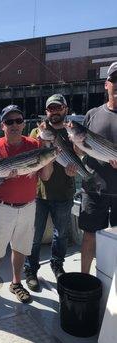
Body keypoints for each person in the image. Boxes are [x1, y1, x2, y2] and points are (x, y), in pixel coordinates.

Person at [0, 105, 53, 305]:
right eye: (9, 121)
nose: (14, 125)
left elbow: (45, 176)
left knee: (20, 248)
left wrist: (48, 156)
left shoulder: (34, 145)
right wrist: (1, 178)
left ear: (23, 124)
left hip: (29, 206)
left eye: (18, 121)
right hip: (2, 207)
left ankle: (16, 282)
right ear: (2, 125)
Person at [24, 94, 78, 291]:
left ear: (65, 109)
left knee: (61, 234)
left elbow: (79, 154)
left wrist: (75, 167)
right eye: (50, 109)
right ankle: (31, 269)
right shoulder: (37, 131)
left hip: (64, 192)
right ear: (46, 112)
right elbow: (30, 156)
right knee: (35, 235)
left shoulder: (71, 131)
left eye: (58, 108)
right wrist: (41, 142)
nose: (54, 112)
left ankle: (57, 264)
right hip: (39, 193)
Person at [79, 62, 117, 274]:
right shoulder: (92, 114)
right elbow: (82, 151)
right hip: (94, 188)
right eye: (114, 80)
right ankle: (85, 278)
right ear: (106, 84)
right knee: (89, 234)